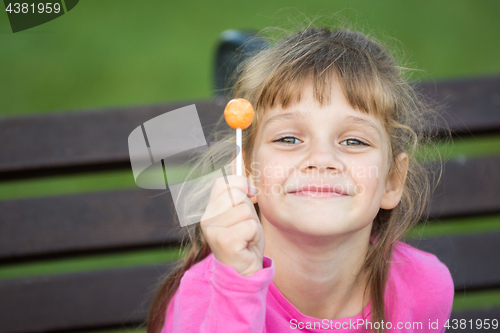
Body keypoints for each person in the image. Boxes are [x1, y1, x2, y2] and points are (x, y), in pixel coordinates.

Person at [147, 24, 454, 333]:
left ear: (392, 180)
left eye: (354, 141)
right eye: (289, 139)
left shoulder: (423, 287)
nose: (321, 159)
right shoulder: (205, 299)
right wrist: (237, 288)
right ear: (247, 172)